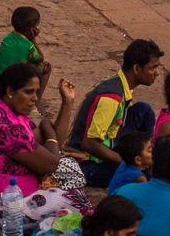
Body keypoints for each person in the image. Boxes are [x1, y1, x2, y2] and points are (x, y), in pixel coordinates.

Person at [0, 62, 92, 227]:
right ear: (10, 91)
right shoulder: (4, 124)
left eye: (36, 92)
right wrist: (47, 127)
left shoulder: (5, 110)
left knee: (69, 169)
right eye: (29, 92)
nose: (35, 98)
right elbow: (51, 163)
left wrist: (67, 103)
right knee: (80, 203)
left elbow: (53, 146)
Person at [68, 38, 164, 188]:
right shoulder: (111, 97)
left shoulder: (121, 83)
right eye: (152, 68)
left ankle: (147, 160)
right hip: (87, 162)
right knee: (135, 174)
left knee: (143, 111)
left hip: (111, 140)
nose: (156, 73)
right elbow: (89, 143)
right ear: (137, 69)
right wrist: (126, 161)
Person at [0, 5, 49, 83]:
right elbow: (40, 58)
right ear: (32, 29)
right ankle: (37, 95)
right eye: (37, 26)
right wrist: (33, 39)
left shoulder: (8, 37)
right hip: (10, 88)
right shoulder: (28, 46)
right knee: (46, 67)